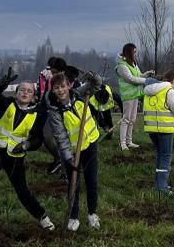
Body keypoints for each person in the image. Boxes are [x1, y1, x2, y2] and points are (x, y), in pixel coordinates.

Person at [0, 71, 55, 232]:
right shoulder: (6, 104)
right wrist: (2, 83)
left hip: (15, 157)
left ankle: (43, 217)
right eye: (22, 90)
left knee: (22, 191)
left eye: (29, 91)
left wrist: (26, 146)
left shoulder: (37, 114)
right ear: (15, 94)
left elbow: (38, 139)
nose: (25, 93)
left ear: (34, 96)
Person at [47, 71, 102, 232]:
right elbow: (61, 136)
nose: (60, 90)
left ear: (69, 86)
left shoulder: (79, 94)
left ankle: (92, 213)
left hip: (90, 144)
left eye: (63, 86)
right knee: (73, 184)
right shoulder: (55, 111)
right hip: (71, 152)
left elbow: (95, 85)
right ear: (53, 90)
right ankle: (73, 216)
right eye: (56, 88)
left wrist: (94, 77)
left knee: (91, 180)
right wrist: (68, 156)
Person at [143, 70, 174, 194]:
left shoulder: (149, 92)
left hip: (151, 129)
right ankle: (162, 187)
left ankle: (158, 184)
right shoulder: (169, 91)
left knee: (160, 155)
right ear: (173, 81)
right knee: (165, 156)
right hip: (165, 129)